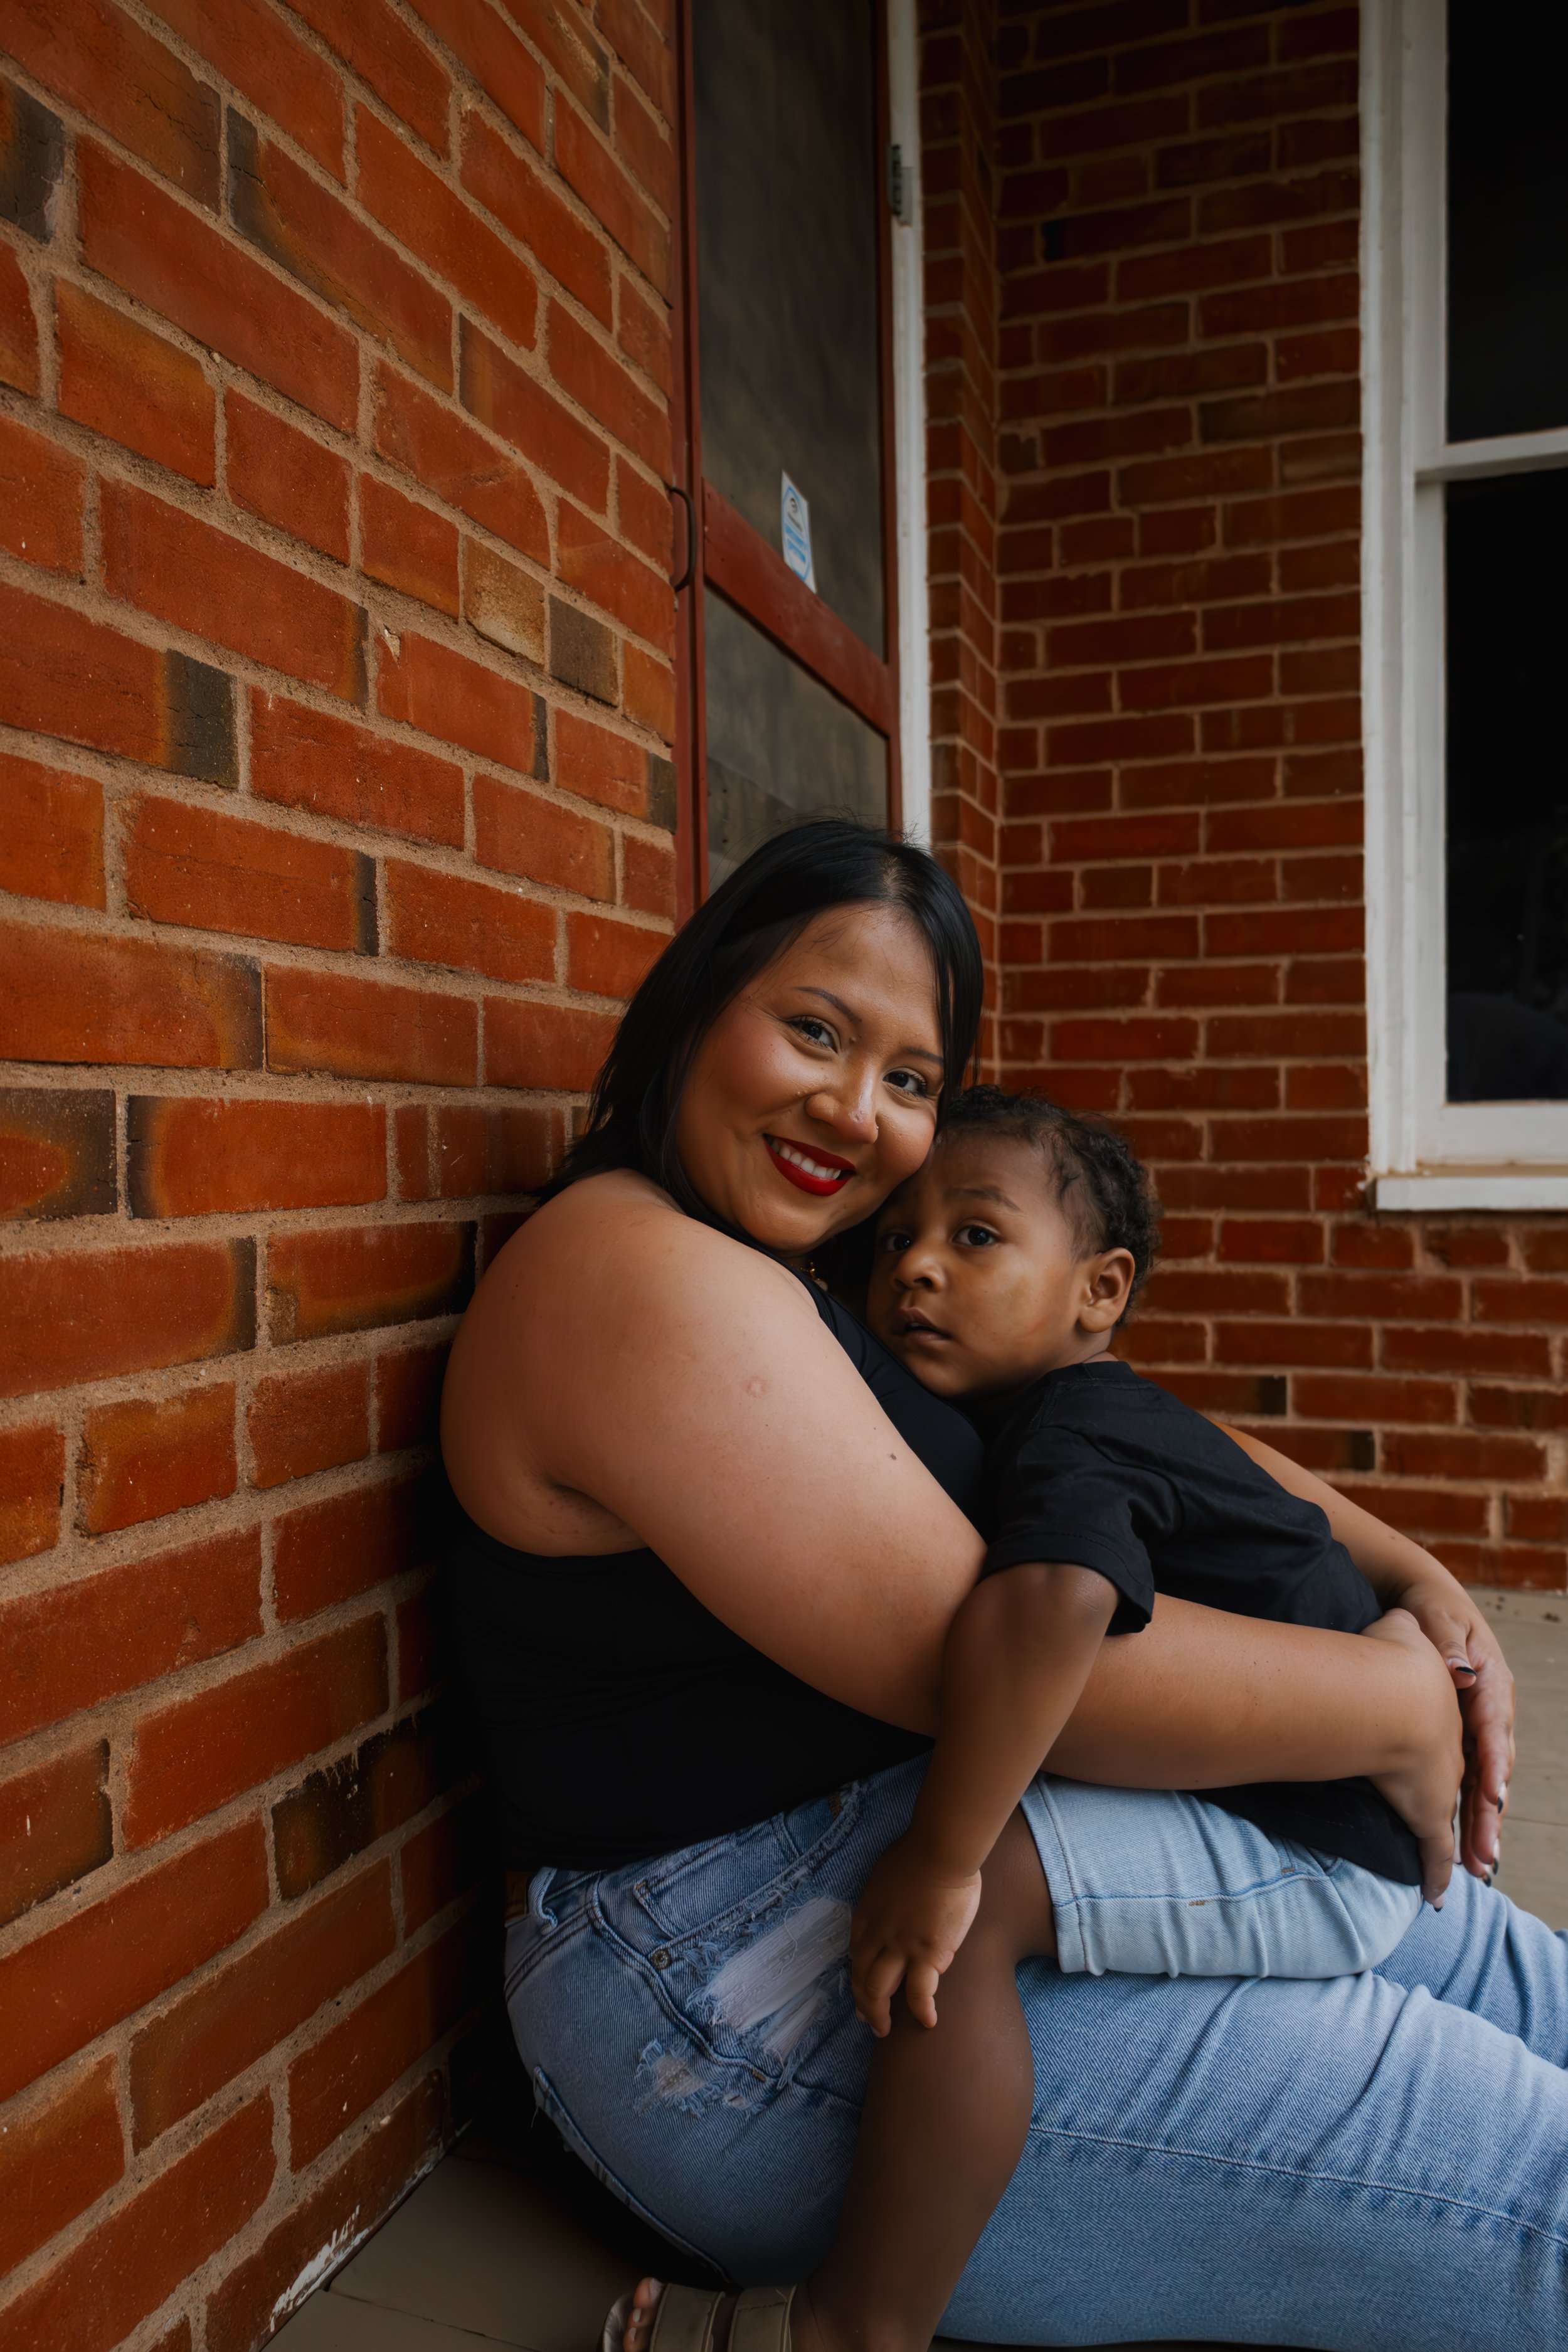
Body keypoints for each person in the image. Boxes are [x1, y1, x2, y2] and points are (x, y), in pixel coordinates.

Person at [441, 825, 1550, 2352]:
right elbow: (1000, 1663)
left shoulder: (808, 1256)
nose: (856, 1109)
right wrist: (1382, 1700)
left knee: (1522, 1988)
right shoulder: (639, 1275)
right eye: (814, 1030)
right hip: (731, 1980)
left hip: (952, 1836)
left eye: (909, 1078)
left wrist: (1397, 1562)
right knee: (1535, 2196)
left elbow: (1086, 1406)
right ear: (699, 1003)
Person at [770, 1086, 1455, 2352]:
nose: (914, 1264)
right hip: (1307, 1792)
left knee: (970, 1915)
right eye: (893, 1239)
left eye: (974, 1237)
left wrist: (940, 1853)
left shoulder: (1069, 1430)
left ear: (1096, 1292)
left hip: (1319, 1844)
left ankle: (856, 2324)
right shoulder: (1087, 1412)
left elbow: (1054, 1600)